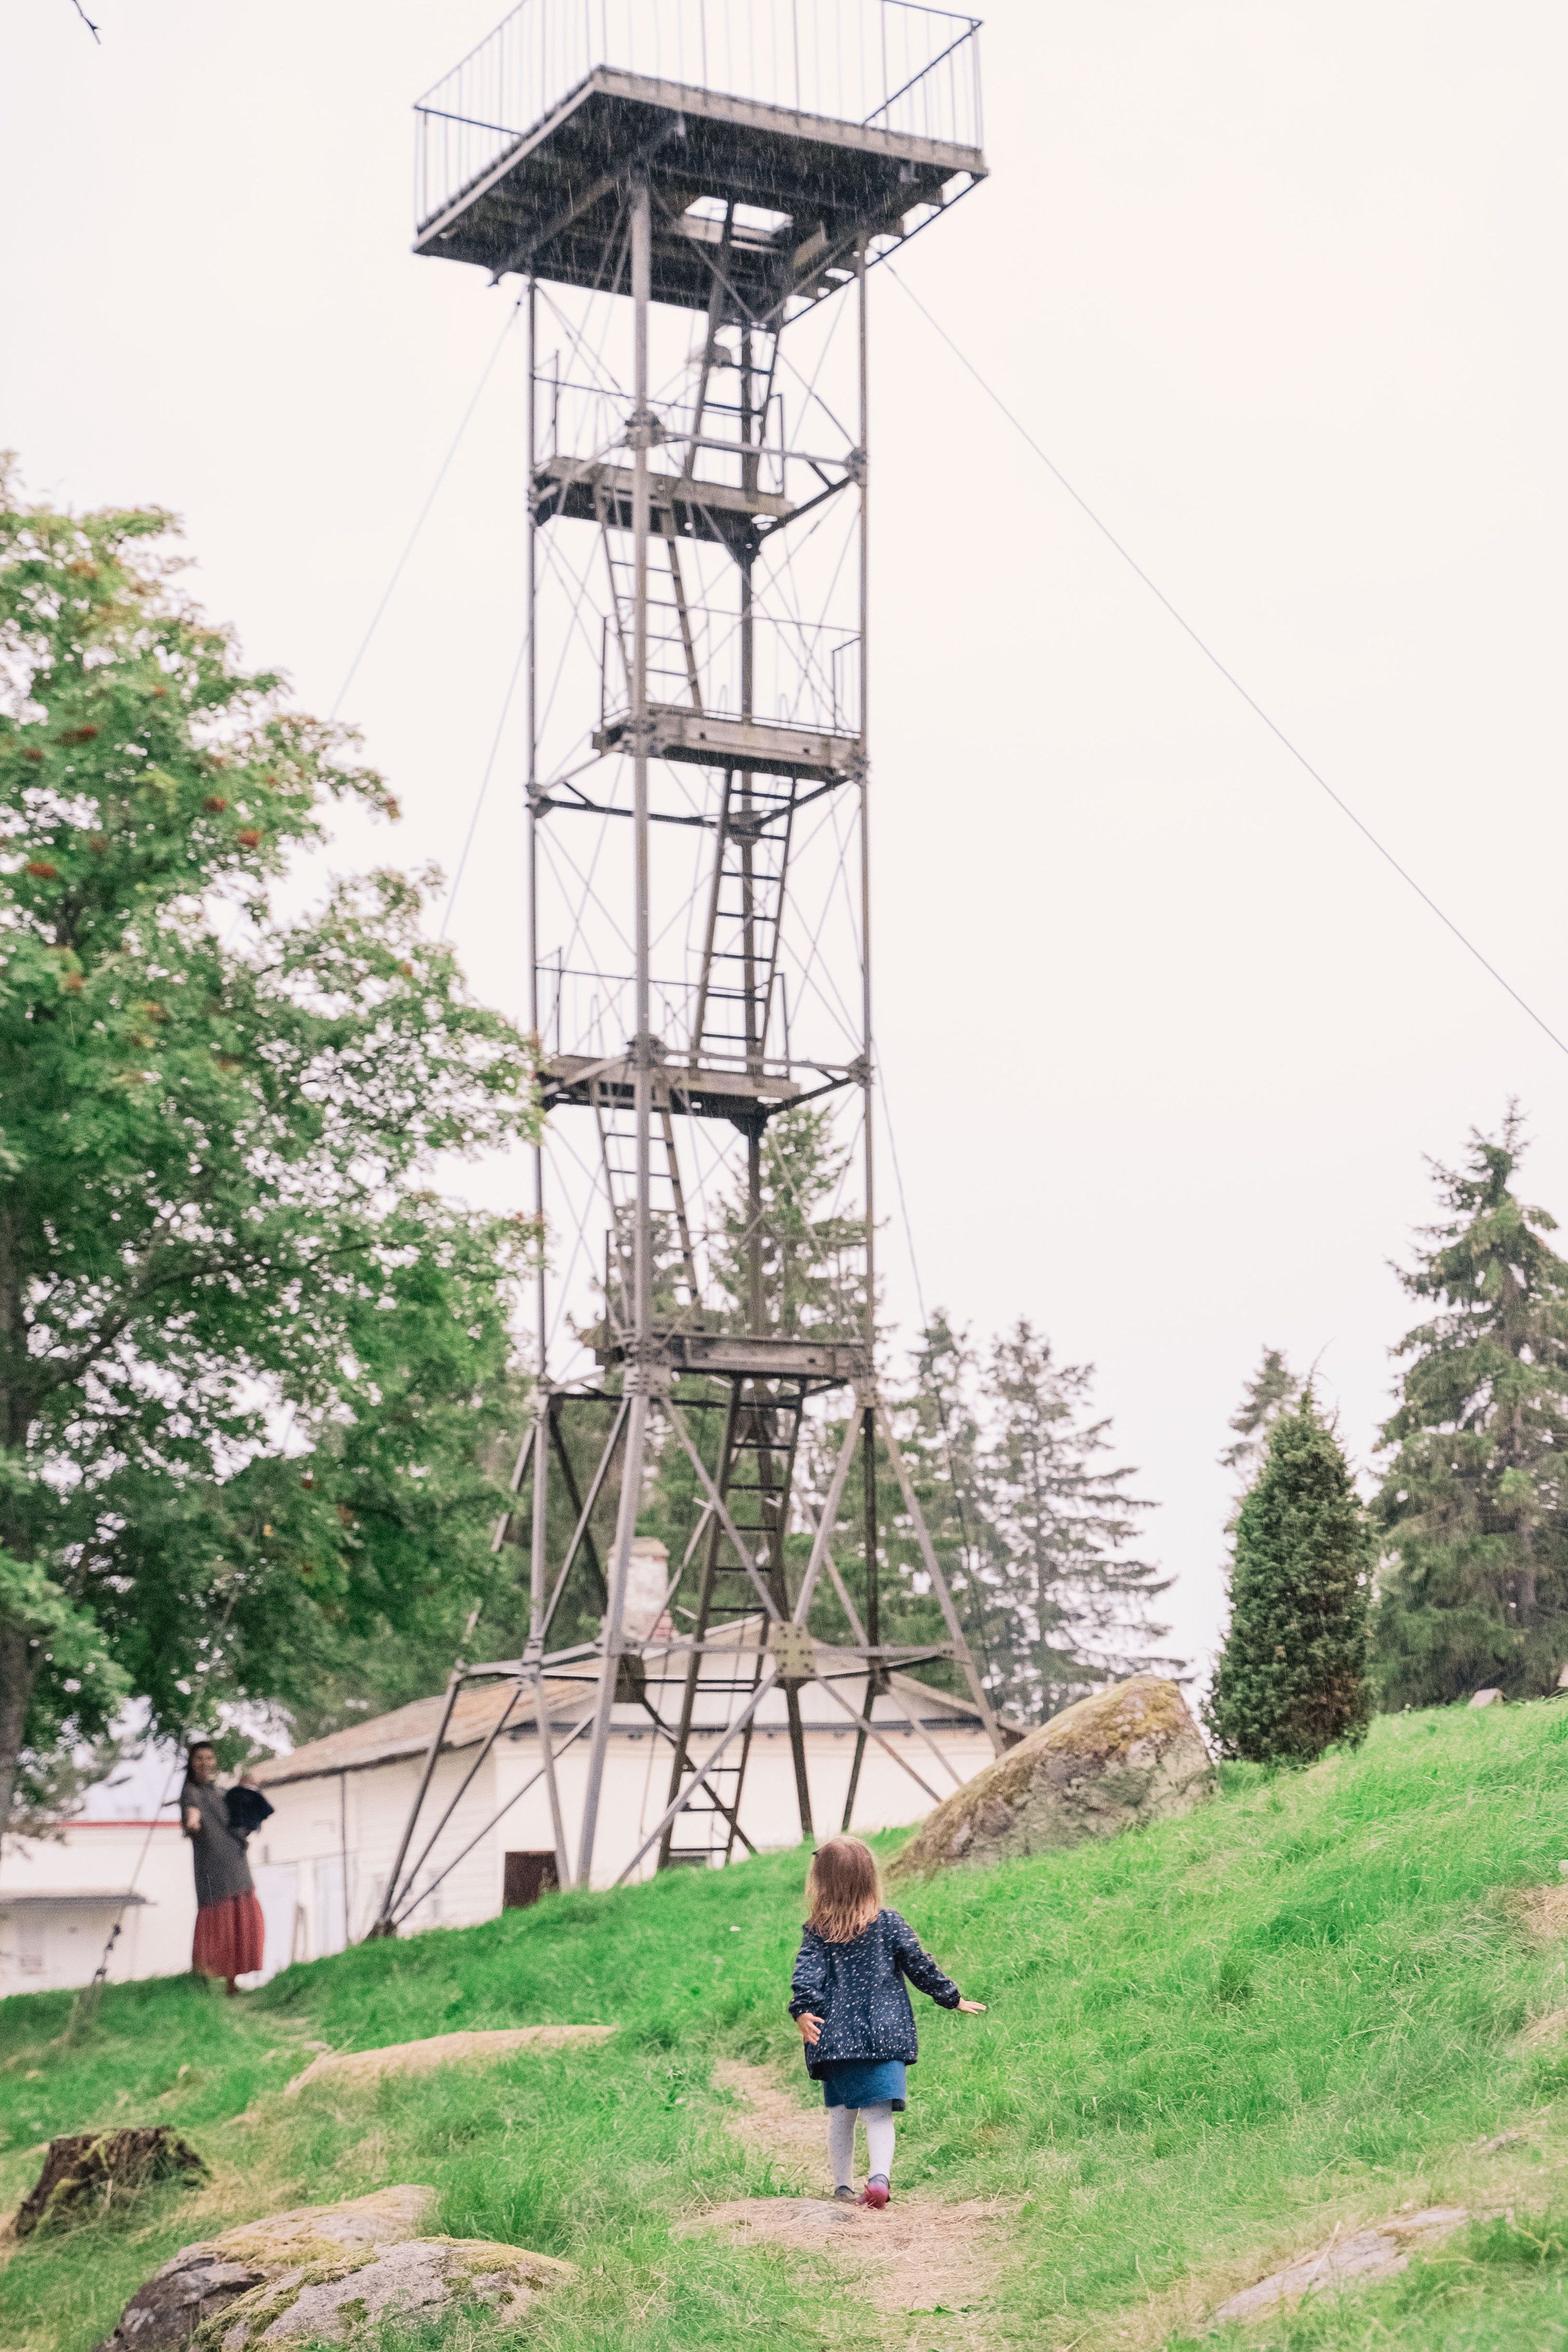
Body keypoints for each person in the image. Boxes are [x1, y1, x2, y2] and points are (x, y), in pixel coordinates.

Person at [788, 1834, 986, 2209]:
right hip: (885, 2035)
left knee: (841, 2116)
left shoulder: (817, 1930)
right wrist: (952, 1997)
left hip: (835, 2039)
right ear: (870, 1877)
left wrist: (803, 2009)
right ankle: (879, 2179)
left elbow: (807, 1974)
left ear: (821, 1881)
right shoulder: (890, 1922)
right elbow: (919, 1964)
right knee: (879, 2116)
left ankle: (843, 2186)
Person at [180, 1742, 265, 1995]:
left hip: (235, 1858)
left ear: (215, 1762)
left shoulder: (221, 1792)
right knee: (218, 1915)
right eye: (199, 1758)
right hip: (212, 1862)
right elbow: (192, 1815)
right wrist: (192, 1825)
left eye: (209, 1757)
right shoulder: (190, 1791)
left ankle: (232, 1982)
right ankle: (206, 1977)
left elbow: (237, 1818)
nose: (205, 1763)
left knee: (238, 1915)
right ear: (191, 1763)